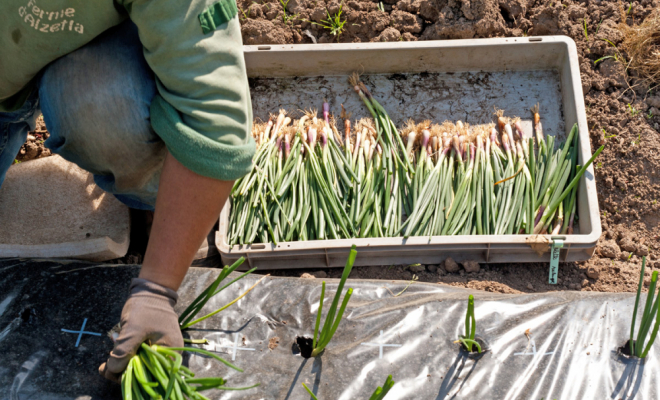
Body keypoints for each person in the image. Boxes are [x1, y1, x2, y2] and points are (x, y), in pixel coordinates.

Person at [0, 0, 254, 382]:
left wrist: (157, 288)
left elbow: (214, 125)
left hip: (100, 53)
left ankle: (151, 197)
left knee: (103, 105)